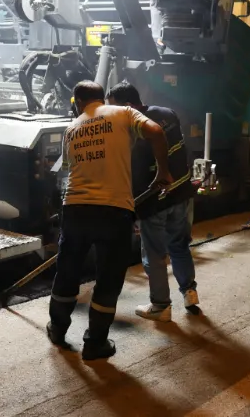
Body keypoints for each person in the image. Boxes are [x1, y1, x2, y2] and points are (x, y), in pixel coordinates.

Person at [47, 80, 172, 360]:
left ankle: (57, 329)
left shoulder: (71, 128)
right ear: (102, 98)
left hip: (76, 209)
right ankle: (95, 343)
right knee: (108, 277)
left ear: (78, 103)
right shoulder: (123, 113)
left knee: (67, 272)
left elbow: (65, 171)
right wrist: (163, 171)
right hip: (113, 211)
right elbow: (156, 130)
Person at [106, 81, 199, 321]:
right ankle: (190, 293)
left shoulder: (132, 130)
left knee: (155, 256)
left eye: (114, 109)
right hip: (182, 194)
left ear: (128, 106)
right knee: (179, 246)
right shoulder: (167, 113)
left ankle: (161, 306)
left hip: (154, 200)